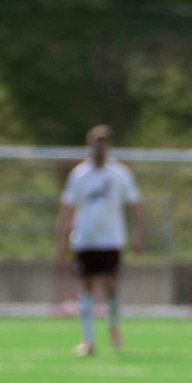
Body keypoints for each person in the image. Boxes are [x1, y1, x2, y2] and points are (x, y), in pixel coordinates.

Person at [56, 125, 143, 357]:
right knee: (86, 287)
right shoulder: (79, 175)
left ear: (109, 146)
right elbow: (67, 209)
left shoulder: (120, 174)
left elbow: (134, 205)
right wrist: (61, 242)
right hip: (85, 239)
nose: (99, 148)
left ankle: (114, 328)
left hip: (111, 239)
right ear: (89, 145)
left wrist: (138, 233)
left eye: (103, 143)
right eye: (95, 142)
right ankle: (88, 340)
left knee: (112, 287)